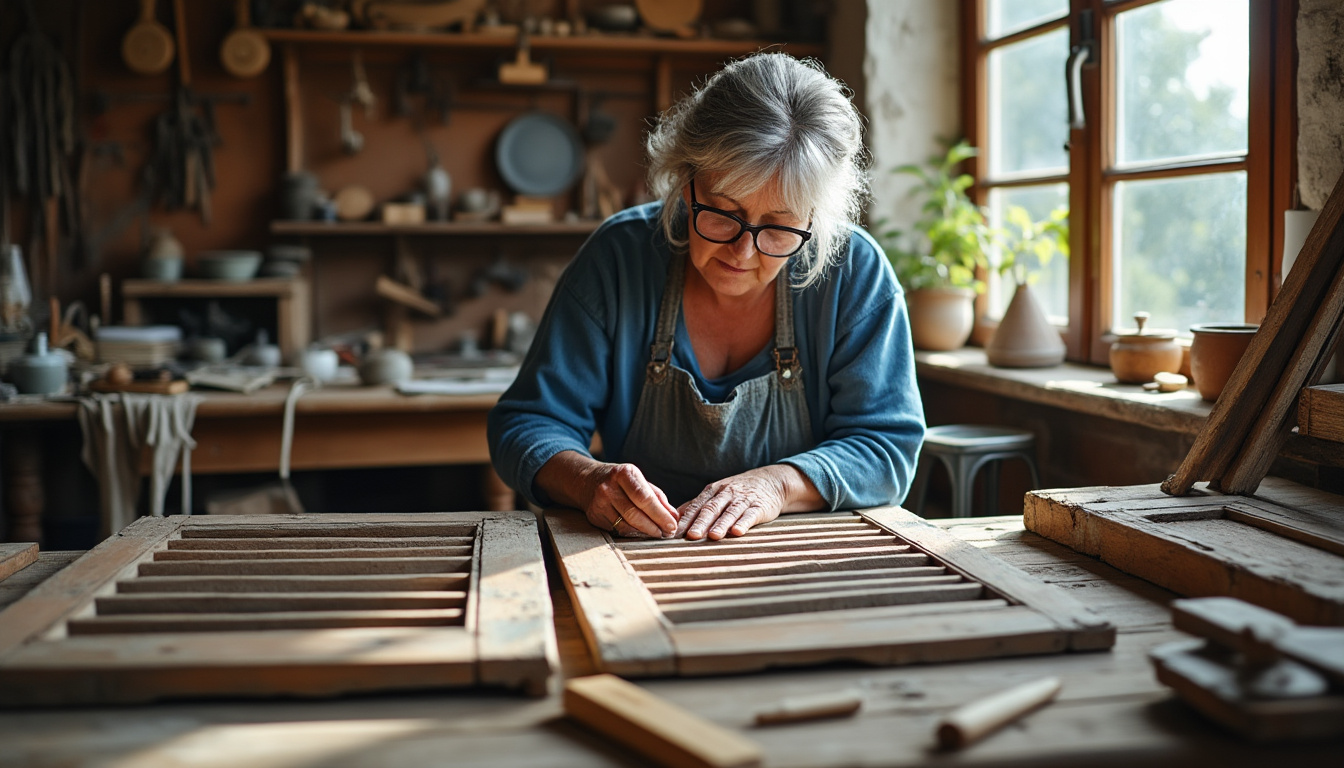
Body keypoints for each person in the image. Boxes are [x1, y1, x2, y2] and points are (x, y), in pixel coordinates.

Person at [488, 52, 925, 541]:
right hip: (636, 552)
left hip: (801, 560)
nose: (743, 250)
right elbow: (526, 424)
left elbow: (886, 447)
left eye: (779, 227)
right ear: (684, 179)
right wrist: (589, 481)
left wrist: (777, 486)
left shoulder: (854, 273)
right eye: (722, 214)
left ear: (814, 220)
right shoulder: (620, 257)